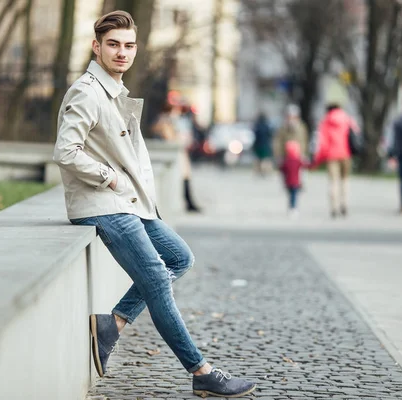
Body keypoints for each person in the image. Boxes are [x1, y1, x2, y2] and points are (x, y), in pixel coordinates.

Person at [52, 11, 255, 397]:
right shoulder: (87, 91)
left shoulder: (115, 91)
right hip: (103, 203)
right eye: (113, 44)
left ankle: (112, 324)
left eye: (128, 46)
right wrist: (107, 176)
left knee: (179, 257)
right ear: (96, 47)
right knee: (158, 279)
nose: (121, 52)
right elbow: (65, 150)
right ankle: (201, 371)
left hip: (129, 203)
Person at [152, 103, 202, 212]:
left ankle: (189, 201)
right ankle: (189, 202)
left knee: (186, 177)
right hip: (175, 155)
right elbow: (170, 138)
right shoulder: (166, 122)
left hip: (180, 154)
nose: (177, 113)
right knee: (183, 177)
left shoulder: (171, 122)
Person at [314, 103, 357, 218]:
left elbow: (322, 142)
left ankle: (334, 207)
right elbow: (356, 132)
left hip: (331, 155)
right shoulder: (347, 119)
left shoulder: (325, 122)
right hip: (346, 154)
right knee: (345, 180)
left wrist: (318, 159)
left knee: (333, 182)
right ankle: (344, 204)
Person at [279, 140, 309, 218]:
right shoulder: (298, 160)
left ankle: (291, 207)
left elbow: (281, 169)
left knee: (290, 195)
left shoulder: (286, 161)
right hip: (296, 182)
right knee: (294, 196)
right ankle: (293, 208)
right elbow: (306, 165)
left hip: (287, 182)